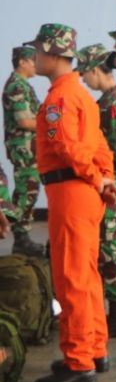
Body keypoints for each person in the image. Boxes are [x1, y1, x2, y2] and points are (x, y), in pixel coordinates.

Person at [27, 24, 116, 382]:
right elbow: (98, 148)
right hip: (85, 193)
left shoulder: (60, 100)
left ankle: (78, 361)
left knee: (71, 276)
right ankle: (94, 349)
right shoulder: (79, 95)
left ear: (51, 53)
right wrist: (105, 179)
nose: (33, 57)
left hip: (71, 191)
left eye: (37, 51)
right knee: (88, 274)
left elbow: (67, 148)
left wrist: (97, 180)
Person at [77, 44, 116, 338]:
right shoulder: (112, 100)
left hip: (115, 182)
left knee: (112, 246)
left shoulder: (113, 105)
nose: (83, 80)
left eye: (85, 74)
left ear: (96, 70)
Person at [3, 43, 43, 256]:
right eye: (32, 60)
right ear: (22, 62)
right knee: (26, 191)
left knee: (28, 191)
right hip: (24, 148)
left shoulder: (23, 84)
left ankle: (21, 234)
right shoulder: (16, 86)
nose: (37, 64)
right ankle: (21, 236)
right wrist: (50, 124)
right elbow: (25, 121)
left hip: (30, 147)